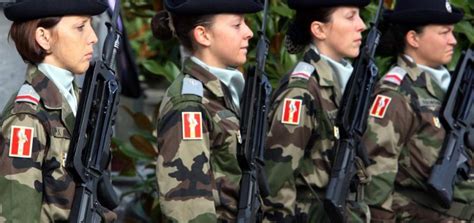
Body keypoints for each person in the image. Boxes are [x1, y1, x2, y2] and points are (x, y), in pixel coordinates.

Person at [0, 0, 111, 222]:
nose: (93, 37)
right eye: (80, 27)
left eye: (91, 25)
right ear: (44, 37)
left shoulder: (79, 97)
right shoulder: (27, 118)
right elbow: (17, 216)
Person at [153, 0, 263, 221]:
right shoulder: (189, 105)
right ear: (203, 35)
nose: (249, 32)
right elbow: (187, 207)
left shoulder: (229, 92)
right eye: (236, 25)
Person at [361, 0, 470, 221]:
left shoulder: (452, 87)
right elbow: (376, 181)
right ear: (413, 38)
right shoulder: (395, 94)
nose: (453, 40)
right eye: (444, 32)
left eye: (453, 32)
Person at [262, 0, 370, 222]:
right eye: (350, 17)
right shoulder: (302, 92)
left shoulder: (345, 86)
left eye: (359, 16)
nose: (361, 25)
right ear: (319, 29)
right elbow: (277, 180)